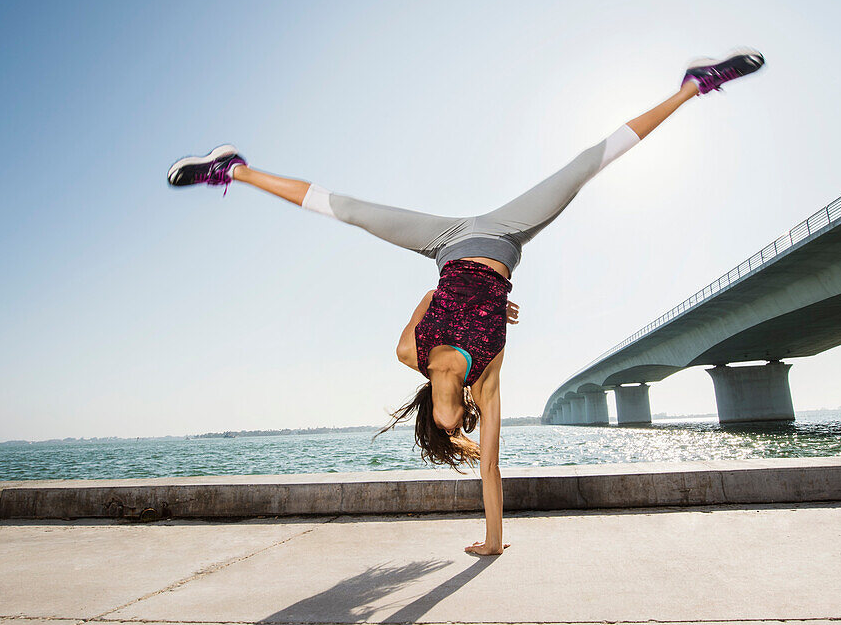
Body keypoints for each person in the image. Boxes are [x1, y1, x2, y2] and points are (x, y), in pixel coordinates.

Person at [167, 49, 765, 554]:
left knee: (347, 210)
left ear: (433, 408)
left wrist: (481, 304)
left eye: (449, 426)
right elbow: (491, 468)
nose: (459, 423)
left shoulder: (411, 354)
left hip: (445, 245)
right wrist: (494, 540)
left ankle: (691, 86)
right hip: (506, 236)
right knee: (586, 168)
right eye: (462, 428)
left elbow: (431, 293)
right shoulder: (486, 381)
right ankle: (236, 171)